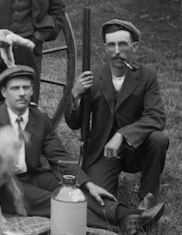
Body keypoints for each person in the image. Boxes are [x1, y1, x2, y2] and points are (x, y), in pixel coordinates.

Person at [0, 65, 165, 235]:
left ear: (32, 90)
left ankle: (126, 215)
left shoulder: (39, 119)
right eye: (15, 88)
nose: (22, 93)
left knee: (74, 191)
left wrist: (88, 184)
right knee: (52, 202)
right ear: (4, 92)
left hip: (32, 175)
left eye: (26, 88)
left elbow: (59, 156)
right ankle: (122, 224)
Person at [65, 19, 169, 207]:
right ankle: (121, 214)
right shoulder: (93, 76)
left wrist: (122, 135)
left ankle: (148, 198)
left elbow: (156, 117)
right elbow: (73, 123)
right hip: (102, 151)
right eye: (111, 45)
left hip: (136, 149)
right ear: (105, 48)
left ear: (134, 46)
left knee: (159, 140)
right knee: (98, 202)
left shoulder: (147, 76)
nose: (116, 51)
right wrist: (75, 95)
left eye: (122, 44)